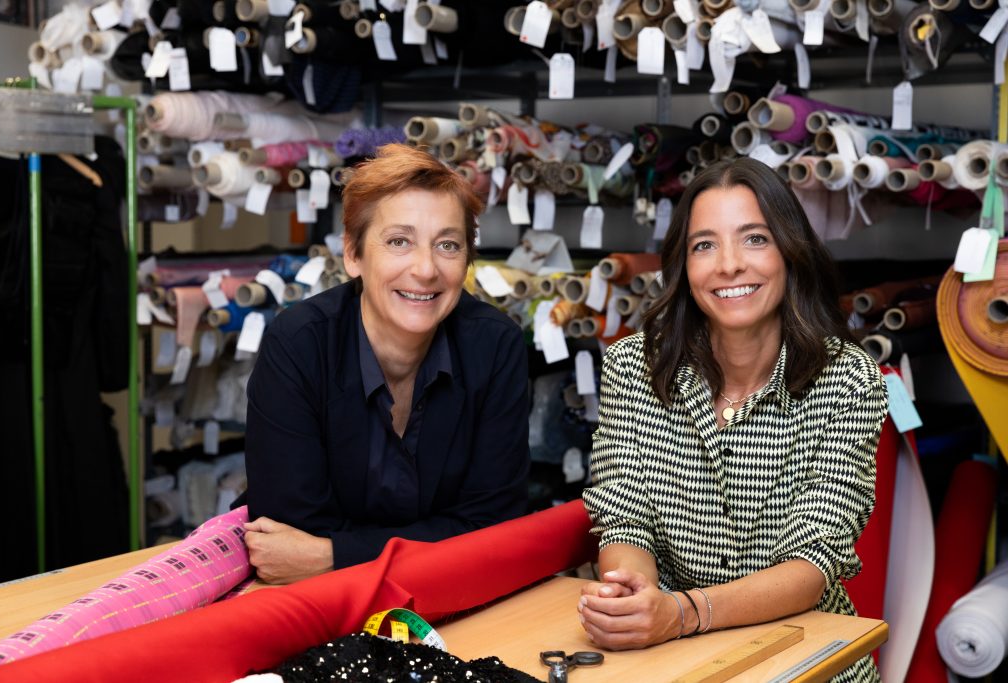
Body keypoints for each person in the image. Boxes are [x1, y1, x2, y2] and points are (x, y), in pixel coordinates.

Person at [579, 158, 887, 682]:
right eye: (704, 245)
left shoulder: (847, 379)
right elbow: (624, 518)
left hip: (806, 655)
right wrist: (634, 597)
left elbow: (811, 564)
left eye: (754, 239)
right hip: (673, 658)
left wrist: (682, 614)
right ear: (683, 265)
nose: (728, 265)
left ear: (790, 252)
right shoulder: (635, 366)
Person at [242, 144, 530, 584]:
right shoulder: (299, 343)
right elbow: (287, 536)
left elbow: (493, 528)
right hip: (316, 602)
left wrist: (334, 554)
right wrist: (433, 543)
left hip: (449, 596)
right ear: (353, 255)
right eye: (399, 241)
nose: (426, 269)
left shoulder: (496, 346)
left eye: (447, 245)